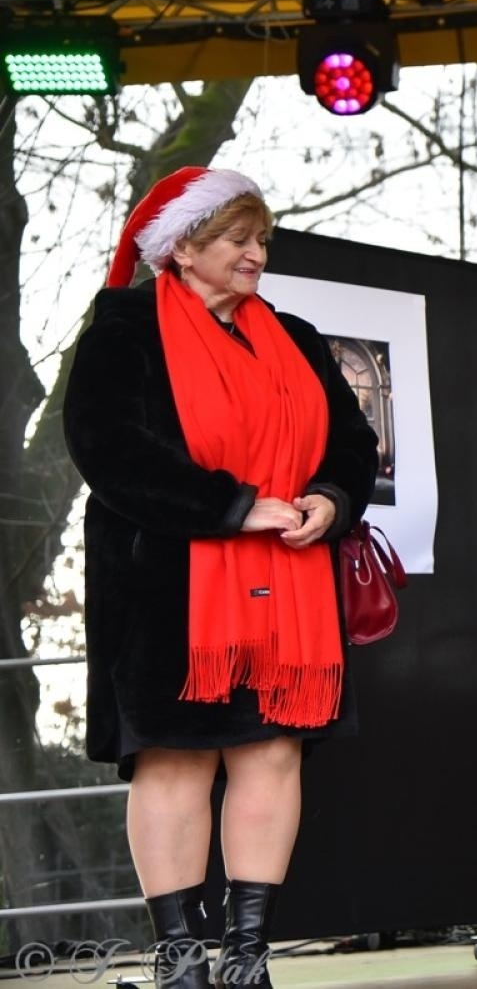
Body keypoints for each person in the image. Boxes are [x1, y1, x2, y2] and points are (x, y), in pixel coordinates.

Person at [63, 167, 380, 988]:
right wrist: (236, 507)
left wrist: (330, 500)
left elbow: (352, 443)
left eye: (261, 240)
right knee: (176, 761)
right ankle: (181, 963)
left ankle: (245, 958)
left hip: (289, 585)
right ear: (184, 246)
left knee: (271, 754)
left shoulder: (297, 337)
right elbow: (109, 450)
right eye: (238, 238)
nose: (256, 254)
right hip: (163, 593)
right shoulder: (126, 327)